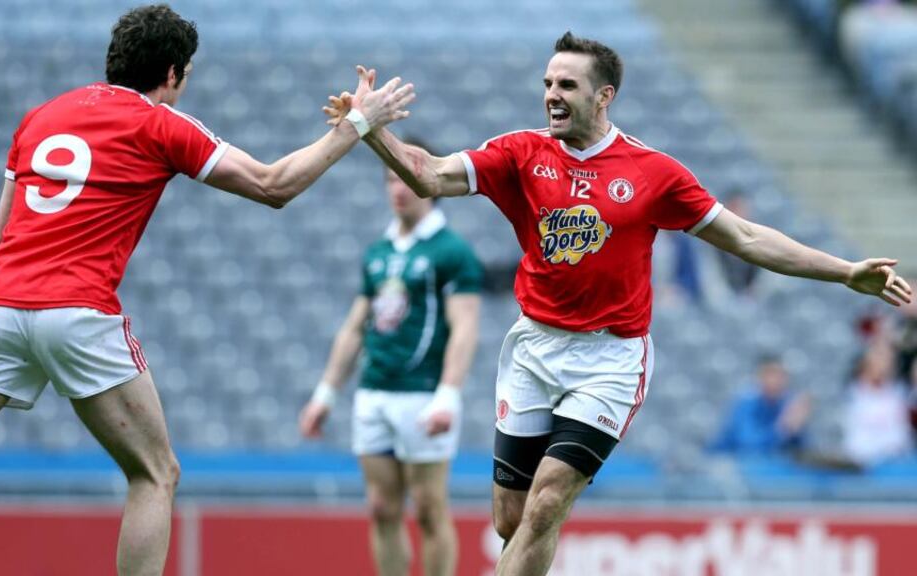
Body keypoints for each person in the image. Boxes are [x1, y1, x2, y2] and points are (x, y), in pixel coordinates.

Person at [324, 33, 913, 576]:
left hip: (610, 360)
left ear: (603, 96)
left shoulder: (653, 173)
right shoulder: (519, 153)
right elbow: (428, 176)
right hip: (533, 348)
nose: (552, 95)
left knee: (548, 500)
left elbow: (747, 237)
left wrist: (844, 272)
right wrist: (371, 129)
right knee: (512, 518)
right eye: (548, 84)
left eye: (567, 86)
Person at [0, 4, 413, 575]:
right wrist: (358, 124)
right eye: (186, 74)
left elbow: (3, 233)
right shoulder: (159, 123)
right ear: (172, 72)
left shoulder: (39, 117)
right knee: (155, 472)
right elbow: (274, 185)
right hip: (78, 312)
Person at [299, 140, 483, 576]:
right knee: (382, 507)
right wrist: (326, 393)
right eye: (389, 178)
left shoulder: (451, 252)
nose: (397, 188)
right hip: (374, 391)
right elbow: (355, 326)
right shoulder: (378, 254)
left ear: (428, 182)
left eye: (405, 177)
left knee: (427, 508)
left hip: (422, 394)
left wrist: (448, 396)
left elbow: (465, 328)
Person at [711, 355, 811, 454]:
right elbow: (748, 445)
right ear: (759, 377)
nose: (775, 381)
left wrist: (795, 427)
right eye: (770, 374)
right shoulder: (745, 404)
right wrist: (783, 428)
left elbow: (801, 448)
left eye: (781, 375)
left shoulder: (788, 404)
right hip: (729, 462)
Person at [842, 344, 913, 467]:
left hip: (896, 463)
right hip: (861, 463)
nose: (884, 364)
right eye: (880, 359)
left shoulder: (900, 393)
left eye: (888, 360)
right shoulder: (853, 392)